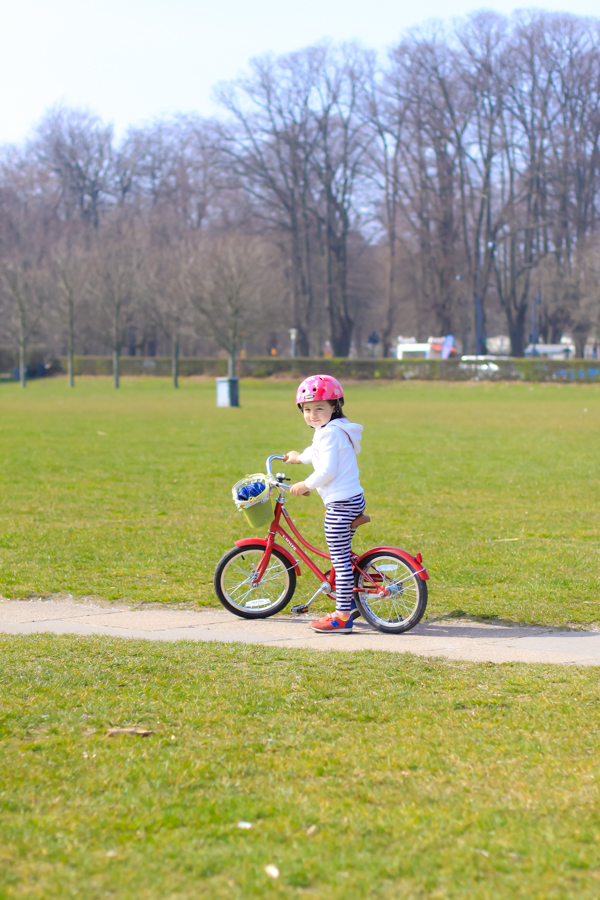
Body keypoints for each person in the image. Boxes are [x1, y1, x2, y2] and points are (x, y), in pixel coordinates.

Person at [284, 374, 368, 633]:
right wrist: (299, 458)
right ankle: (353, 599)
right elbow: (317, 451)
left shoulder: (329, 434)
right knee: (343, 555)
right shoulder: (334, 429)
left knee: (339, 561)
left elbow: (327, 471)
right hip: (353, 499)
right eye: (307, 409)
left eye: (320, 408)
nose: (312, 414)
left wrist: (305, 485)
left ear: (335, 406)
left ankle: (342, 617)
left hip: (341, 506)